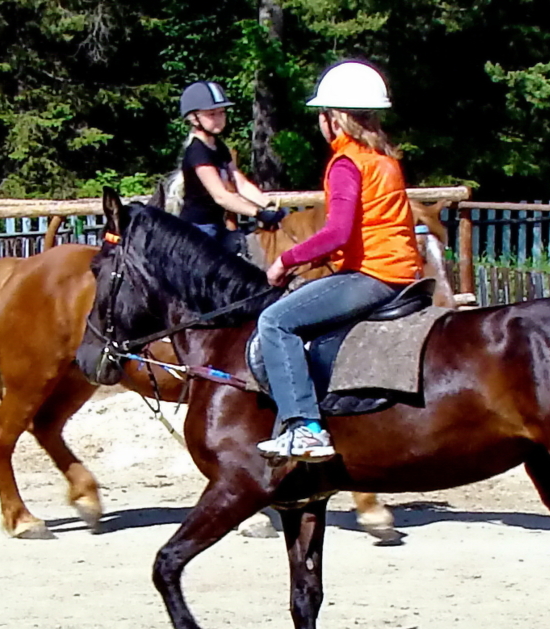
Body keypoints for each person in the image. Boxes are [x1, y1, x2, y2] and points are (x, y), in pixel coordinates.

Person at [255, 60, 420, 463]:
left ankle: (304, 428)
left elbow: (338, 232)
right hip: (402, 272)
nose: (320, 124)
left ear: (335, 119)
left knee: (275, 322)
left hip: (373, 275)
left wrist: (285, 261)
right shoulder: (383, 159)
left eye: (322, 116)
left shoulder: (347, 163)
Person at [176, 80, 285, 249]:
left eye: (222, 113)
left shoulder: (219, 146)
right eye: (212, 114)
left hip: (218, 226)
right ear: (193, 118)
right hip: (199, 230)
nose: (219, 119)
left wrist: (268, 204)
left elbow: (240, 183)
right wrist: (257, 213)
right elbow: (220, 195)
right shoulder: (197, 151)